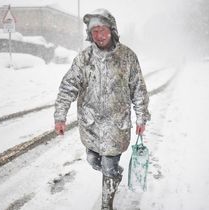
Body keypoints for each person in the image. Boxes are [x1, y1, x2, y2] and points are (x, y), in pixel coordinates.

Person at [54, 8, 150, 210]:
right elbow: (68, 86)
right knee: (92, 159)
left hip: (116, 125)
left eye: (102, 30)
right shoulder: (84, 59)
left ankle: (107, 204)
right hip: (91, 125)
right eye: (94, 31)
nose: (99, 35)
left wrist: (141, 118)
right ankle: (113, 172)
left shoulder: (127, 57)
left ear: (112, 30)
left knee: (108, 165)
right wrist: (60, 116)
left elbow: (139, 89)